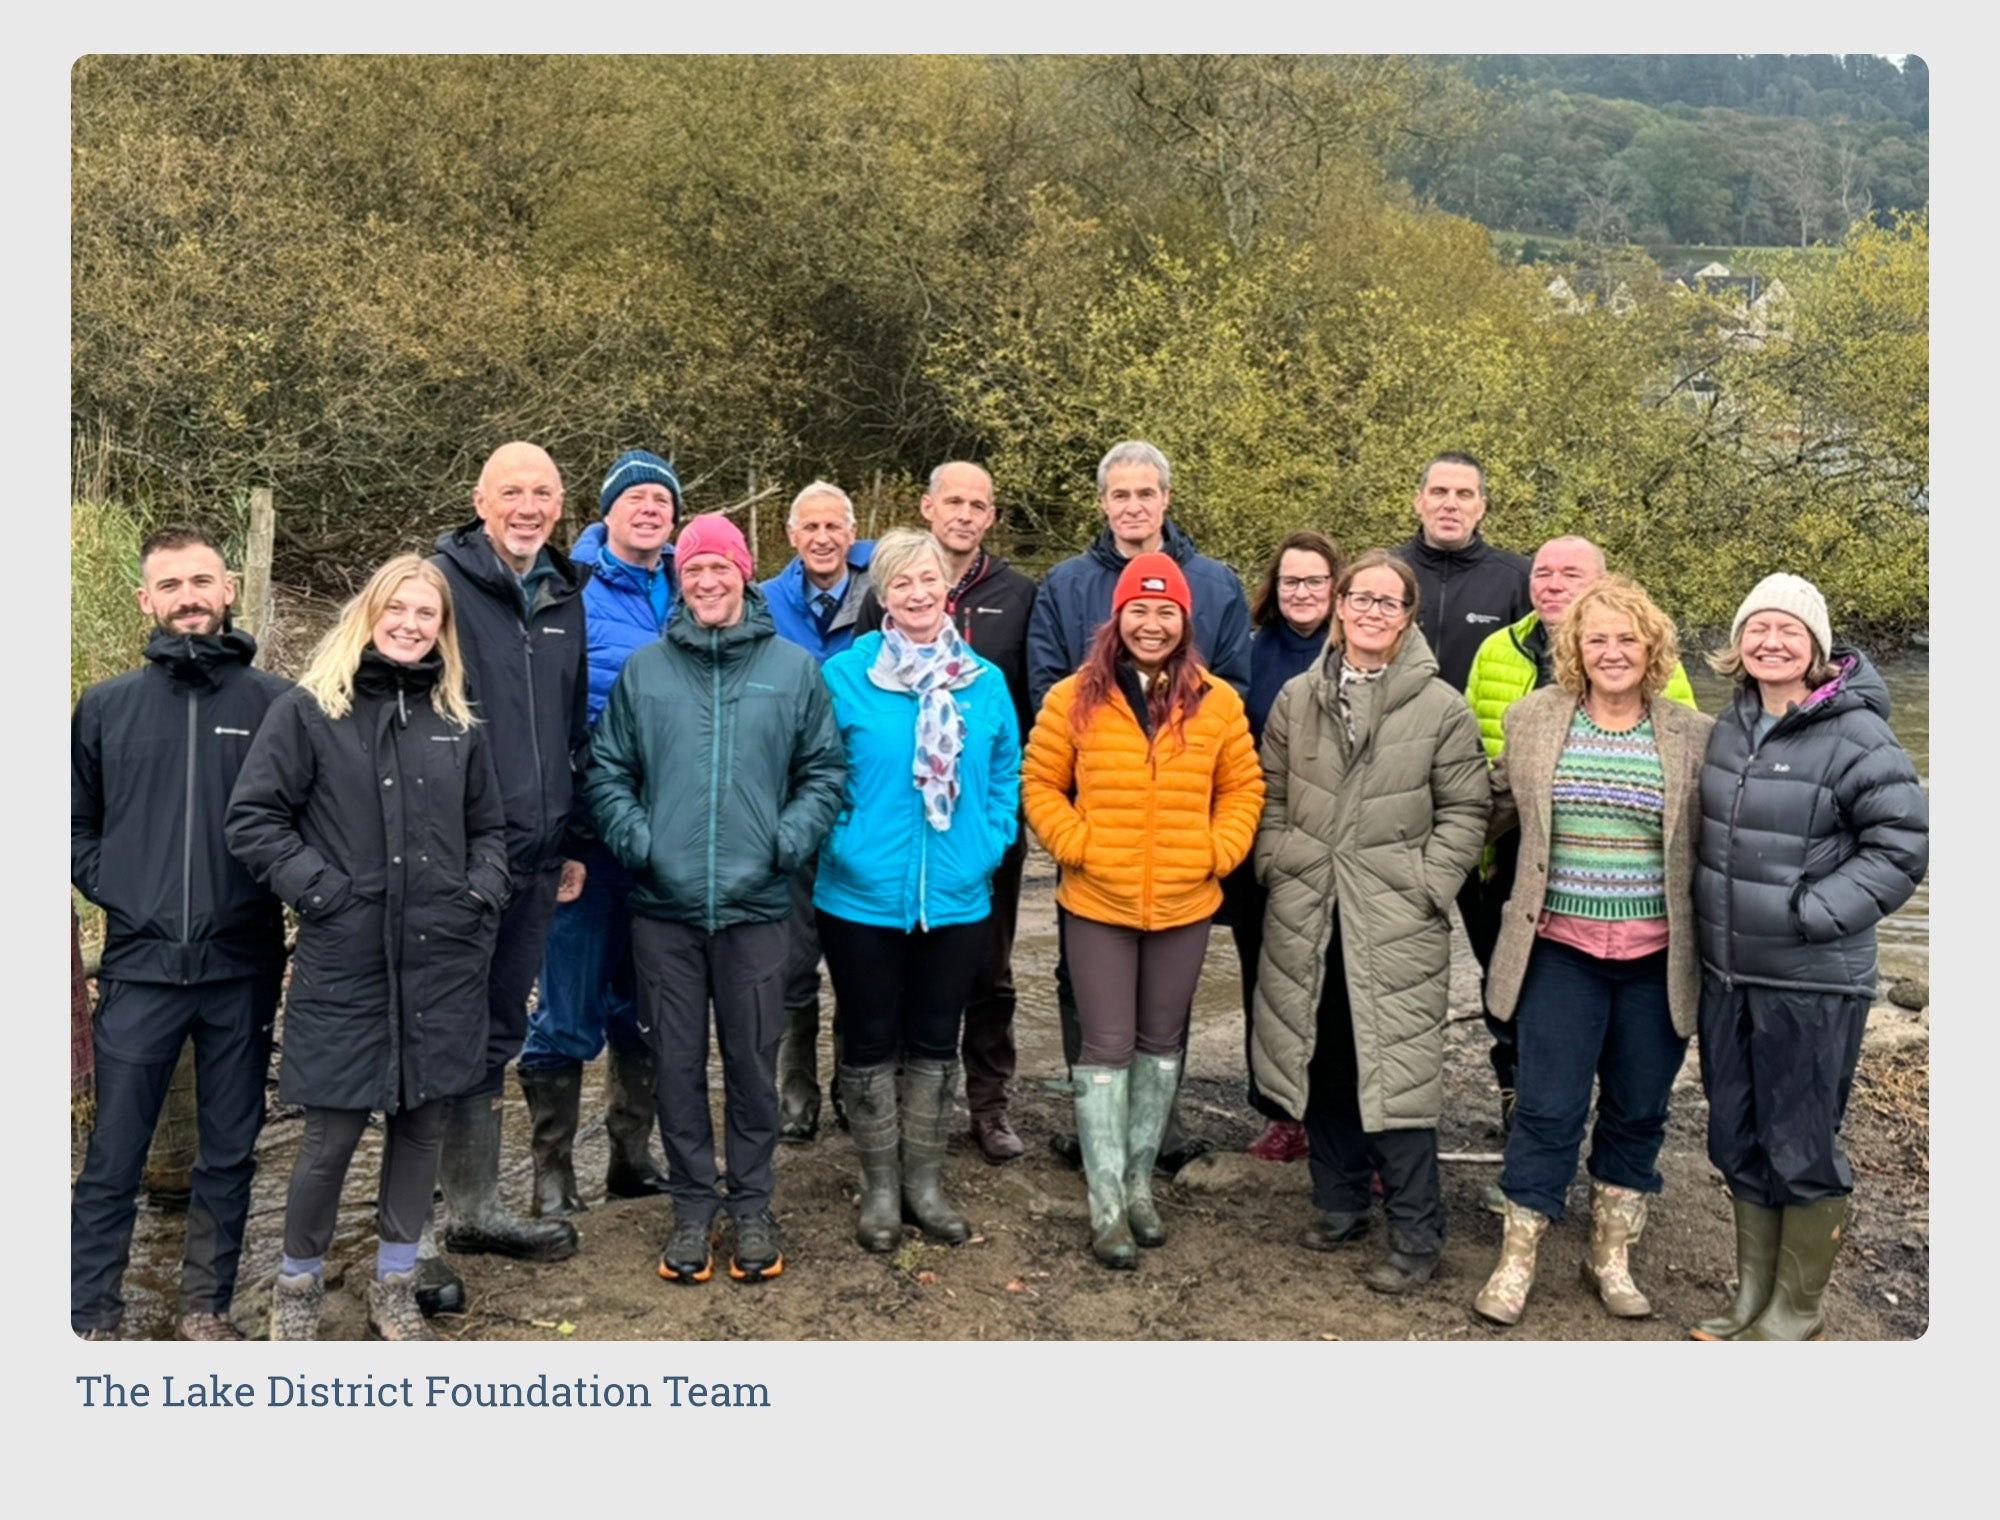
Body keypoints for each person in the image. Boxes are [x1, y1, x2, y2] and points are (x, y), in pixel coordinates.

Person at [225, 556, 510, 1341]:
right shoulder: (311, 710)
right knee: (331, 1135)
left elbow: (490, 829)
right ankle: (297, 1287)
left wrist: (481, 889)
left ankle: (394, 1281)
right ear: (369, 612)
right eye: (399, 609)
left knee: (422, 1127)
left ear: (443, 629)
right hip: (346, 955)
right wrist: (323, 892)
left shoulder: (457, 720)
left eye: (428, 614)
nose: (412, 624)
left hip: (443, 957)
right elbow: (254, 820)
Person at [586, 514, 845, 1286]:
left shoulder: (793, 670)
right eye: (693, 570)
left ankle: (754, 1203)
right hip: (663, 911)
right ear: (681, 579)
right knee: (675, 1064)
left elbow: (824, 773)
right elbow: (607, 772)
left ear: (744, 575)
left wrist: (784, 843)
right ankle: (694, 1208)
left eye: (720, 570)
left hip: (758, 907)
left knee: (753, 1063)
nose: (706, 582)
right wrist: (641, 844)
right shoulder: (647, 671)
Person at [1469, 576, 1714, 1327]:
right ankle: (1517, 1259)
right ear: (1574, 648)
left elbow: (1733, 837)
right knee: (1547, 1107)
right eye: (1596, 638)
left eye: (1628, 639)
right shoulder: (1533, 720)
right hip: (1559, 949)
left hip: (1656, 956)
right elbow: (1488, 809)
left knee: (1639, 1110)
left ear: (1653, 650)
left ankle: (1610, 1255)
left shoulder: (1694, 735)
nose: (1612, 652)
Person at [1688, 574, 1926, 1341]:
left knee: (1801, 1143)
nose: (1771, 642)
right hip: (1730, 976)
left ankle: (1797, 1308)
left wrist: (1812, 912)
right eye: (1757, 628)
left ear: (1818, 646)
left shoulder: (1858, 734)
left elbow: (1901, 847)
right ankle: (1752, 1294)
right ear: (1738, 644)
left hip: (1814, 979)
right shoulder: (1730, 727)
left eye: (1790, 630)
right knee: (1736, 1136)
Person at [70, 526, 292, 1341]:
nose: (189, 597)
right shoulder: (105, 707)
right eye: (171, 585)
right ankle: (90, 1312)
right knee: (112, 1159)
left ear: (228, 588)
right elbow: (73, 825)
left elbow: (304, 825)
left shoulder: (277, 705)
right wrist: (126, 894)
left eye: (202, 580)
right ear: (146, 600)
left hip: (242, 963)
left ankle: (206, 1307)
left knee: (230, 1151)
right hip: (141, 967)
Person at [1251, 550, 1489, 1294]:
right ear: (1341, 605)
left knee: (1395, 1069)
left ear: (1409, 616)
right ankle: (1340, 1201)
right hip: (1308, 902)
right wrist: (1279, 859)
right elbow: (1271, 793)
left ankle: (1419, 1232)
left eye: (1390, 602)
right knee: (1317, 1055)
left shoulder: (1441, 707)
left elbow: (1467, 811)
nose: (1373, 613)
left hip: (1395, 910)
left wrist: (1427, 883)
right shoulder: (1298, 696)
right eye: (1362, 598)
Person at [1022, 553, 1263, 1268]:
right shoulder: (1074, 697)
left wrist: (1218, 851)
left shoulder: (1217, 701)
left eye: (1166, 612)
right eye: (1139, 609)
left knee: (1161, 1048)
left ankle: (1137, 1187)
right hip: (1098, 897)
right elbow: (1040, 782)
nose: (1151, 624)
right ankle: (1104, 1207)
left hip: (1186, 899)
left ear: (1185, 621)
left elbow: (1244, 786)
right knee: (1106, 1048)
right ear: (1117, 617)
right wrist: (1076, 843)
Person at [817, 528, 1022, 1252]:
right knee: (870, 1040)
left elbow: (1005, 776)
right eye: (900, 582)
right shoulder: (847, 675)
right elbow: (819, 773)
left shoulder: (984, 681)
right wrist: (844, 844)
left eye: (928, 579)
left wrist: (987, 845)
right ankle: (878, 1189)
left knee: (938, 1039)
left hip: (958, 893)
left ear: (947, 586)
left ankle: (924, 1185)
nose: (916, 593)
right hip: (858, 893)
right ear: (882, 592)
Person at [421, 441, 588, 1307]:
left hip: (535, 857)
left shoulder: (565, 594)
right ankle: (407, 1239)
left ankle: (477, 1207)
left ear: (561, 504)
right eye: (512, 492)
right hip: (454, 857)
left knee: (495, 1027)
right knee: (433, 1031)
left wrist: (570, 843)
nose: (529, 506)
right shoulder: (439, 587)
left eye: (544, 493)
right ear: (480, 500)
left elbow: (568, 729)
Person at [856, 462, 1040, 1161]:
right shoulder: (891, 588)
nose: (965, 513)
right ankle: (900, 1106)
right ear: (928, 507)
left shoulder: (1021, 595)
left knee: (989, 972)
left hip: (979, 826)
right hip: (898, 826)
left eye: (979, 504)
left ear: (991, 516)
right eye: (953, 501)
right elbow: (863, 705)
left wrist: (997, 829)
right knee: (899, 965)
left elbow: (1028, 705)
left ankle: (988, 1106)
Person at [516, 449, 681, 1218]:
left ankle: (630, 1154)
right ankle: (552, 1171)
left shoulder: (696, 585)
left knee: (645, 1001)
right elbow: (546, 719)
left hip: (671, 835)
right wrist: (565, 838)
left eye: (661, 499)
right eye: (635, 498)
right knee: (569, 1002)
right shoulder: (567, 590)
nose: (649, 509)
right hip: (587, 834)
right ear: (606, 511)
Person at [759, 481, 876, 1146]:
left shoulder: (879, 593)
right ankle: (794, 1094)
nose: (824, 538)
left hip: (866, 801)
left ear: (851, 532)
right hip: (790, 800)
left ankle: (852, 1091)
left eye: (836, 526)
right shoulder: (767, 603)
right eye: (812, 527)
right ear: (791, 534)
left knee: (860, 955)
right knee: (792, 959)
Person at [1224, 530, 1343, 1163]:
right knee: (1265, 980)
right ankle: (1279, 1114)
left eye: (1315, 582)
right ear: (1275, 588)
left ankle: (1337, 1119)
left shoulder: (1358, 646)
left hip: (1341, 844)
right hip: (1264, 842)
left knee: (1337, 985)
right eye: (1291, 581)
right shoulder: (1250, 650)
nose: (1302, 593)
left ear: (1336, 588)